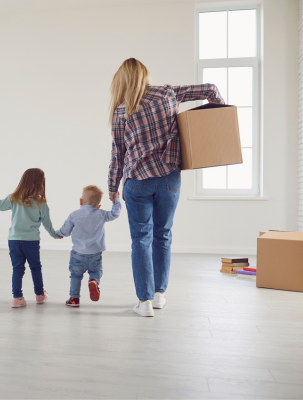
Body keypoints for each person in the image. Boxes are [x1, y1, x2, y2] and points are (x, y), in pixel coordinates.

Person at [107, 58, 224, 317]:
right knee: (163, 235)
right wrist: (218, 121)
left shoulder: (120, 111)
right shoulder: (168, 93)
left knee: (141, 239)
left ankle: (144, 302)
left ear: (123, 80)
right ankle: (159, 295)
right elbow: (210, 89)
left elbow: (118, 154)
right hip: (170, 178)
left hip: (137, 181)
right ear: (145, 76)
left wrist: (112, 186)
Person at [0, 168, 60, 308]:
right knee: (35, 268)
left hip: (14, 240)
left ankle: (17, 298)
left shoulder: (13, 198)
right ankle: (39, 295)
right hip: (31, 242)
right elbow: (47, 225)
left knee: (17, 269)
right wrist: (56, 235)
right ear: (40, 183)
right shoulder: (41, 202)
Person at [56, 185, 121, 307]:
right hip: (95, 254)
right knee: (96, 271)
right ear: (99, 206)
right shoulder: (101, 214)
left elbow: (65, 231)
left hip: (78, 254)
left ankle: (74, 299)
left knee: (75, 275)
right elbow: (115, 213)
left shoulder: (74, 215)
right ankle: (94, 281)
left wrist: (58, 233)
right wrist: (116, 199)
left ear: (80, 201)